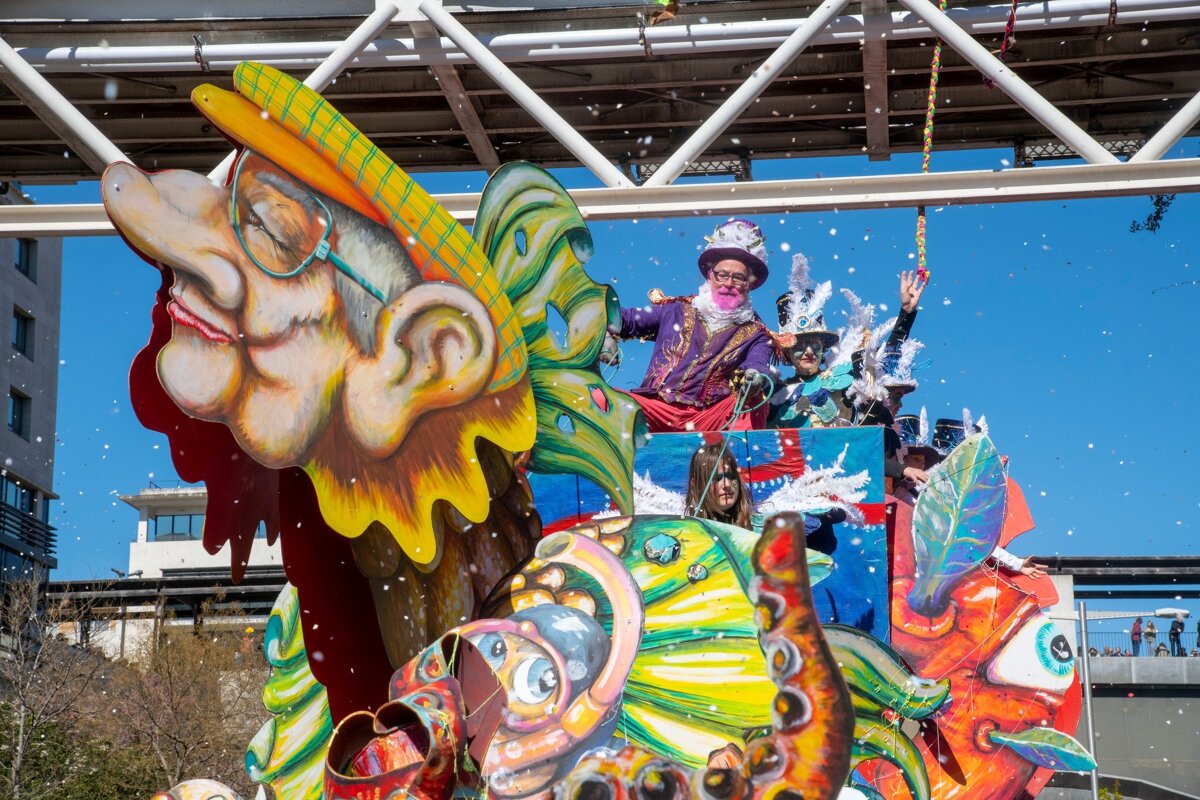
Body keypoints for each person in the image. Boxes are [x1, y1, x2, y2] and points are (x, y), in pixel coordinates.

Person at [609, 219, 775, 433]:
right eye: (722, 275)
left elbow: (758, 363)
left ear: (749, 284)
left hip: (708, 419)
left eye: (738, 277)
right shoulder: (674, 310)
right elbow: (622, 318)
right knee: (598, 397)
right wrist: (604, 333)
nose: (728, 283)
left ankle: (741, 463)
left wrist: (754, 377)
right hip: (653, 410)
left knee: (753, 400)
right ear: (709, 276)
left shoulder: (757, 334)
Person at [684, 443, 753, 528]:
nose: (727, 484)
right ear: (696, 486)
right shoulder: (684, 533)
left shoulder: (764, 529)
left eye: (731, 476)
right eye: (716, 478)